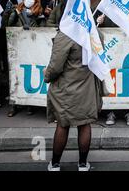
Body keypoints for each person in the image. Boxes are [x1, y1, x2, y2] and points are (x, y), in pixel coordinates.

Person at [44, 31, 104, 171]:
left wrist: (47, 74)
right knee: (84, 124)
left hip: (67, 88)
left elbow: (55, 66)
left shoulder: (65, 34)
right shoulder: (95, 33)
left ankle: (55, 164)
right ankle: (83, 164)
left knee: (63, 124)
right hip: (87, 86)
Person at [4, 0, 46, 116]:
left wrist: (37, 18)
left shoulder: (39, 14)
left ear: (36, 1)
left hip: (33, 49)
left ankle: (30, 104)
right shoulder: (17, 11)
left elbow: (43, 31)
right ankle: (13, 104)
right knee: (15, 75)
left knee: (29, 75)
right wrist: (10, 14)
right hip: (17, 49)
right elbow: (7, 25)